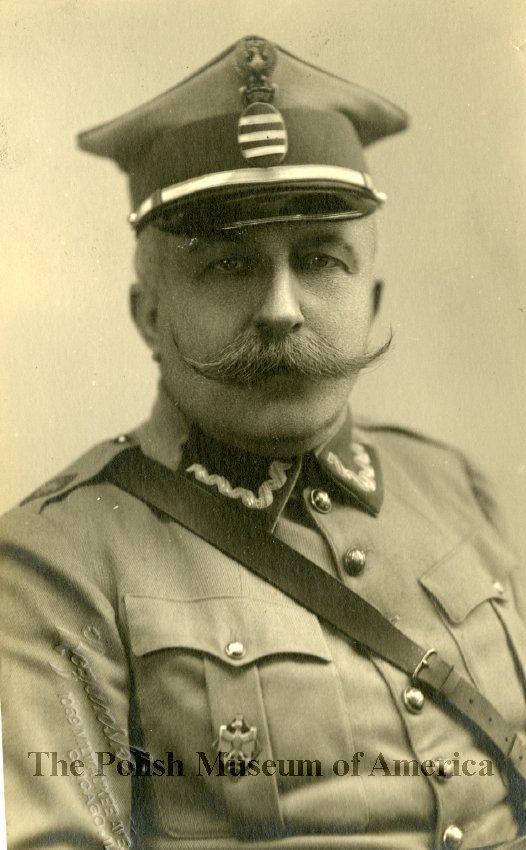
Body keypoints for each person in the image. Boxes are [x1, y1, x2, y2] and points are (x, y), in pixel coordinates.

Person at [1, 34, 525, 850]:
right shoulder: (55, 562)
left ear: (371, 299)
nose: (281, 309)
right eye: (228, 266)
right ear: (150, 315)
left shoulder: (451, 485)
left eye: (319, 259)